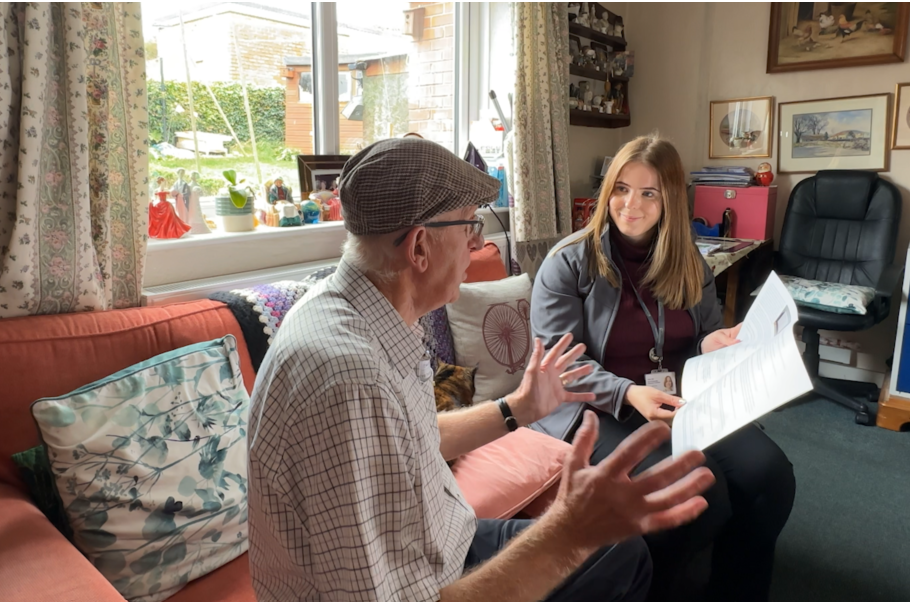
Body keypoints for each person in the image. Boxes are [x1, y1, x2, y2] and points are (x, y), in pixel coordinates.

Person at [246, 137, 717, 602]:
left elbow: (414, 435)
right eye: (469, 226)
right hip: (424, 576)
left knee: (623, 554)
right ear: (419, 248)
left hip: (441, 540)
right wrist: (567, 534)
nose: (478, 243)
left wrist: (518, 407)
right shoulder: (351, 380)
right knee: (609, 552)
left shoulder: (366, 314)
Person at [530, 134, 796, 602]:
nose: (631, 204)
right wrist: (628, 393)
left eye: (649, 193)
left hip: (677, 400)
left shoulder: (689, 260)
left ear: (670, 198)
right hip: (595, 409)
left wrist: (714, 343)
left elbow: (700, 339)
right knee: (698, 494)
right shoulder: (569, 263)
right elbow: (561, 364)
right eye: (621, 189)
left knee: (769, 475)